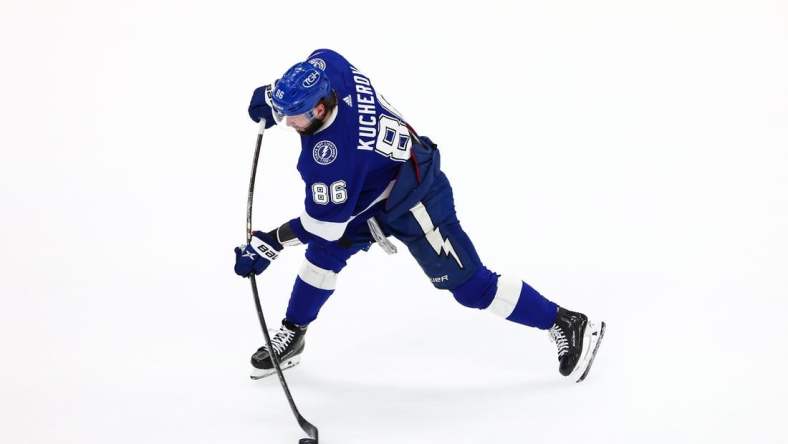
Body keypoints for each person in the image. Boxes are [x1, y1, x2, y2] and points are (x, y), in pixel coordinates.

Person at [234, 49, 605, 382]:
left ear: (319, 109)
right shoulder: (330, 65)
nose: (287, 125)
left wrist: (271, 243)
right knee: (322, 259)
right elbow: (328, 231)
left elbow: (322, 227)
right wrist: (273, 98)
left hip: (414, 194)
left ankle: (568, 322)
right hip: (367, 191)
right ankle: (294, 332)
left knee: (471, 287)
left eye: (293, 117)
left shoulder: (332, 158)